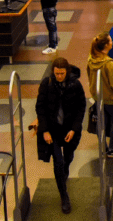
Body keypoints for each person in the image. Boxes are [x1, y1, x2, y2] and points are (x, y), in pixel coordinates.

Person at [35, 57, 85, 213]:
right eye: (56, 73)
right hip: (53, 131)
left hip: (69, 130)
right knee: (58, 163)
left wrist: (74, 129)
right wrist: (44, 131)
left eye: (62, 73)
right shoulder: (47, 84)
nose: (59, 76)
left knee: (68, 159)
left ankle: (63, 176)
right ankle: (64, 197)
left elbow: (81, 108)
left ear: (67, 72)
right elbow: (40, 108)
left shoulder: (76, 85)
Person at [86, 32, 113, 158]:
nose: (112, 42)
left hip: (99, 97)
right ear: (106, 45)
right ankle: (112, 149)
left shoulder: (91, 59)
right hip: (112, 100)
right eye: (110, 41)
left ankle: (103, 147)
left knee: (101, 123)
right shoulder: (109, 64)